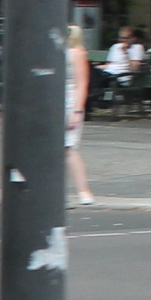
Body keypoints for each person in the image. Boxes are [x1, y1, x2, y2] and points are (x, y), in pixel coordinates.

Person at [66, 32, 95, 206]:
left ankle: (83, 190)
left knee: (69, 147)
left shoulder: (76, 53)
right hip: (51, 101)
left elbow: (82, 84)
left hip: (69, 100)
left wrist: (77, 110)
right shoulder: (52, 51)